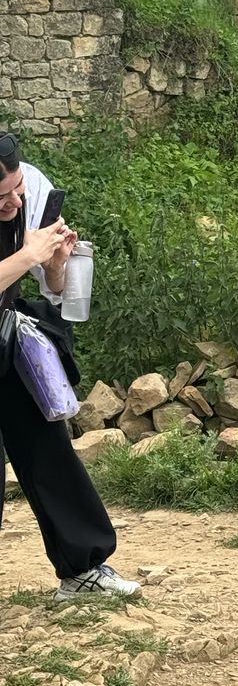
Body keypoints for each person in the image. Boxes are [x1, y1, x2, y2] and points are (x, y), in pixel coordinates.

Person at [0, 133, 140, 601]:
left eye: (15, 190)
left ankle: (83, 569)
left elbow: (53, 287)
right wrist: (25, 256)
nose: (13, 203)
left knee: (47, 449)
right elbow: (24, 261)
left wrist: (56, 264)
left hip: (6, 334)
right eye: (1, 198)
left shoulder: (33, 188)